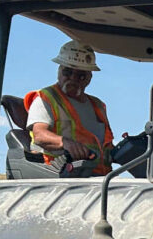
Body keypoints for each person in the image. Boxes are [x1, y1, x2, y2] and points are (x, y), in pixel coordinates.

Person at [26, 41, 114, 175]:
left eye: (81, 75)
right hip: (60, 176)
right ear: (59, 71)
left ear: (89, 78)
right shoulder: (46, 98)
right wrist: (65, 143)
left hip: (100, 177)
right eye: (68, 72)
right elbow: (39, 135)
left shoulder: (98, 105)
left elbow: (106, 147)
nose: (73, 78)